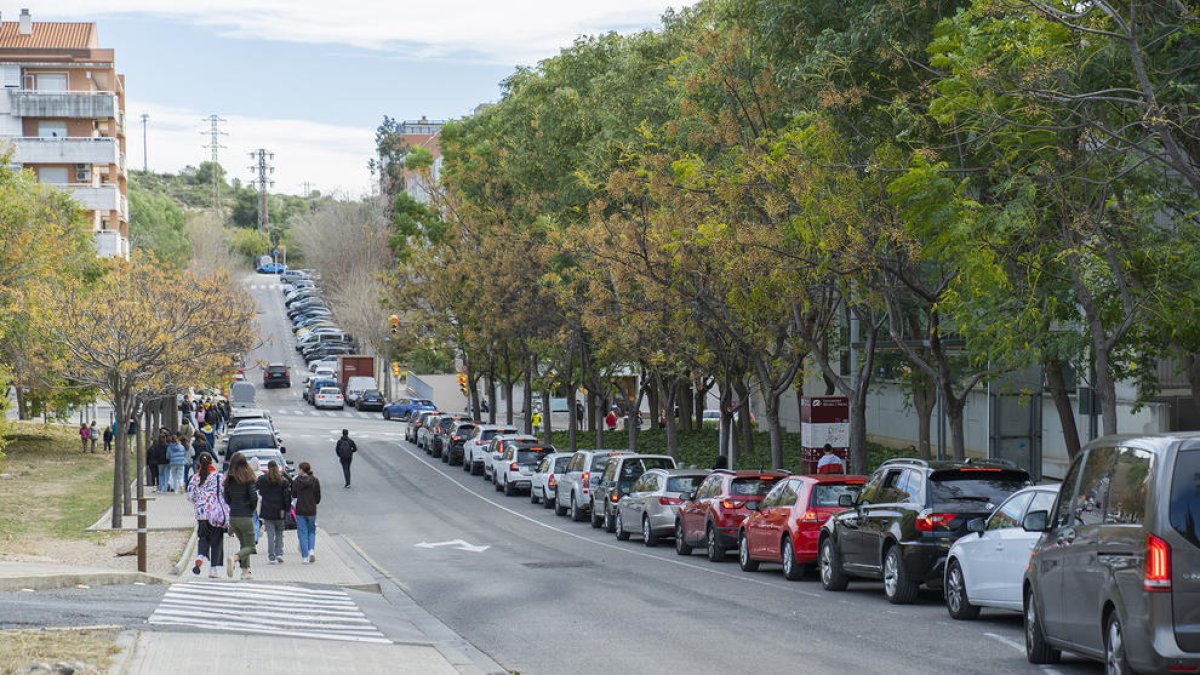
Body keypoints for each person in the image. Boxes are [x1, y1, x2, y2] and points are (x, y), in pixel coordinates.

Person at [186, 453, 227, 578]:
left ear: (199, 463)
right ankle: (213, 570)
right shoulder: (219, 477)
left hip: (201, 513)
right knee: (216, 540)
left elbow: (190, 496)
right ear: (211, 462)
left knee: (203, 537)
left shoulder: (195, 478)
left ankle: (200, 556)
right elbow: (225, 492)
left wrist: (199, 502)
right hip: (215, 512)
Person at [223, 452, 259, 579]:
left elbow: (226, 498)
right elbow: (254, 497)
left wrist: (234, 505)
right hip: (245, 516)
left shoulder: (229, 480)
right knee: (251, 546)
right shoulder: (248, 478)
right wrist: (251, 509)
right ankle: (234, 558)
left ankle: (245, 572)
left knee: (244, 544)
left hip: (233, 516)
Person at [257, 460, 292, 565]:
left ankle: (271, 557)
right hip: (280, 510)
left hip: (267, 510)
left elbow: (257, 488)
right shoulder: (283, 480)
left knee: (270, 534)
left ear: (268, 468)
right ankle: (279, 553)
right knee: (280, 533)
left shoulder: (263, 479)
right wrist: (286, 509)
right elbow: (287, 497)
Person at [292, 462, 321, 563]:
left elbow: (294, 495)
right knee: (311, 531)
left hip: (300, 510)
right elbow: (318, 496)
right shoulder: (315, 480)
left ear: (301, 470)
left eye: (299, 469)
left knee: (302, 532)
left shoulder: (297, 481)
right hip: (311, 509)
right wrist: (314, 502)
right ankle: (311, 550)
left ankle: (305, 557)